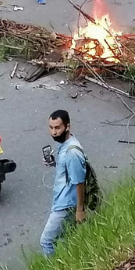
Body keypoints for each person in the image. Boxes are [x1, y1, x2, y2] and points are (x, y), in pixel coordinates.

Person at [40, 110, 87, 257]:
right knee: (65, 239)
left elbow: (80, 183)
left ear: (68, 127)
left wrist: (80, 210)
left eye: (57, 128)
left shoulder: (72, 153)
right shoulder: (65, 143)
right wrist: (55, 163)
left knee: (46, 242)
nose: (53, 132)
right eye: (51, 127)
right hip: (63, 201)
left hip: (66, 205)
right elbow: (68, 170)